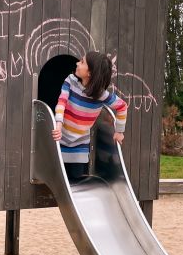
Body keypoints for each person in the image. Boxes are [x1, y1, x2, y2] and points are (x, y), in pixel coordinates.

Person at [51, 51, 128, 181]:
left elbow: (122, 106)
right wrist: (58, 124)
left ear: (90, 73)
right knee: (61, 178)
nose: (77, 63)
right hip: (61, 138)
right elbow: (61, 101)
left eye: (82, 62)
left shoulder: (101, 95)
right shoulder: (70, 81)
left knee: (75, 178)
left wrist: (119, 131)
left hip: (80, 144)